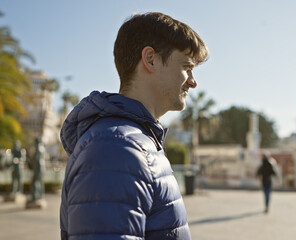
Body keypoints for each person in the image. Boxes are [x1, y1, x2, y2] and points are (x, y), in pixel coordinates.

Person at [59, 12, 209, 240]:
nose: (193, 81)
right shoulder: (117, 149)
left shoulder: (134, 141)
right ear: (150, 59)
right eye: (187, 67)